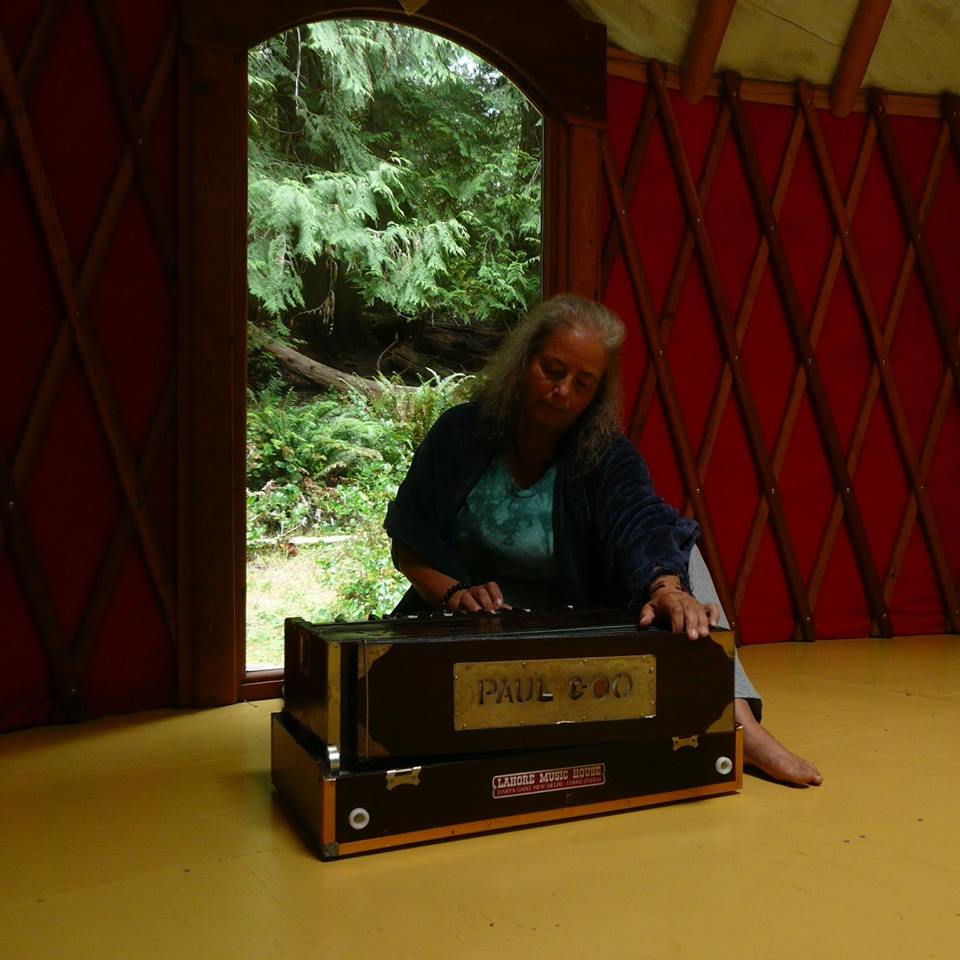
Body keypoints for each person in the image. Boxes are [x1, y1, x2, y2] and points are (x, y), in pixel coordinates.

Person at [384, 294, 821, 787]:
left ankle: (740, 722)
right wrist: (451, 593)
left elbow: (640, 518)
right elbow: (410, 539)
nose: (562, 391)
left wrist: (664, 586)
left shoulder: (605, 454)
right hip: (469, 624)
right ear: (523, 362)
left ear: (597, 393)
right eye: (552, 370)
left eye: (582, 383)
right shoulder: (460, 434)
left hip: (574, 621)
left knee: (677, 545)